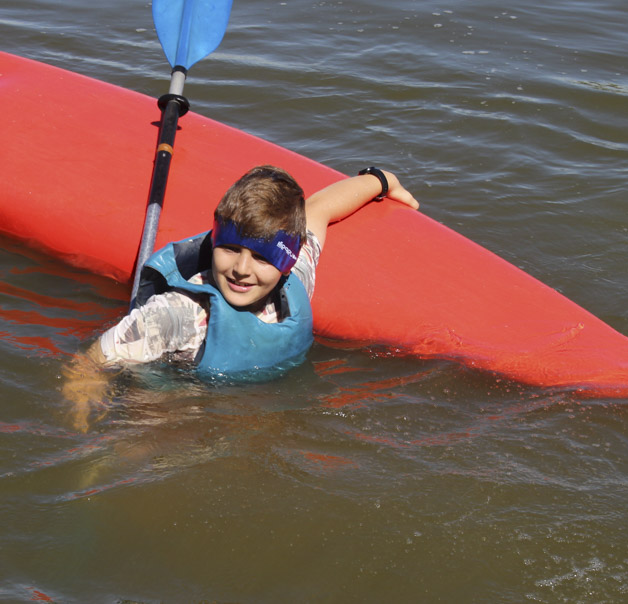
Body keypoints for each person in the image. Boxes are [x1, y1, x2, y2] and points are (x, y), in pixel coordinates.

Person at [62, 164, 418, 429]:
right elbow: (92, 361)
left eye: (262, 258)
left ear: (287, 262)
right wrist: (83, 407)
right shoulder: (175, 314)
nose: (242, 270)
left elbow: (320, 208)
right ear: (215, 243)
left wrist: (382, 180)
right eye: (230, 249)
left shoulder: (295, 282)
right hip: (173, 396)